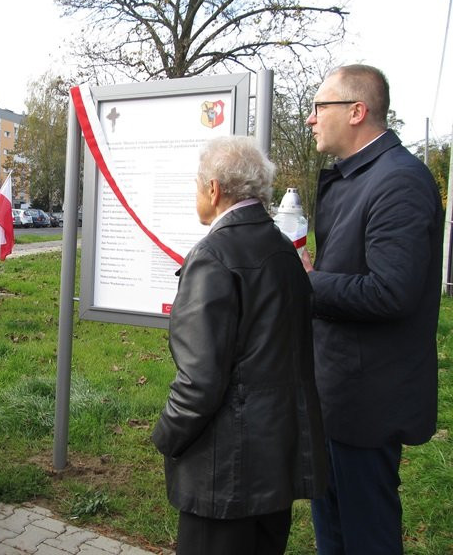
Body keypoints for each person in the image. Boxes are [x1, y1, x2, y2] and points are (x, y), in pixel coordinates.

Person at [152, 136, 327, 555]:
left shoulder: (213, 256)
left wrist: (166, 437)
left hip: (224, 475)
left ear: (213, 189)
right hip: (276, 463)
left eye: (197, 184)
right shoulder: (284, 250)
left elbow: (199, 382)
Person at [302, 64, 443, 555]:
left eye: (321, 106)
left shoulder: (398, 182)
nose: (311, 119)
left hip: (367, 401)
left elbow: (391, 291)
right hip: (337, 393)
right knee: (334, 535)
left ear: (357, 111)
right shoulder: (359, 176)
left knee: (366, 537)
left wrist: (308, 284)